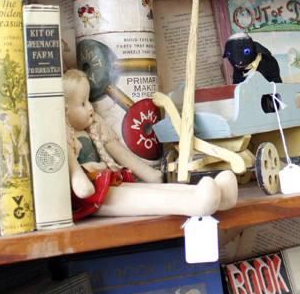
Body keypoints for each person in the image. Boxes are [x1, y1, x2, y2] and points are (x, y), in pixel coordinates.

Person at [64, 69, 237, 219]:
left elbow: (120, 153)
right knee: (136, 197)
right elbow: (80, 184)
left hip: (106, 182)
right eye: (82, 103)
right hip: (92, 197)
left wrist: (149, 174)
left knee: (144, 189)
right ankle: (192, 204)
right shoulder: (65, 138)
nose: (90, 108)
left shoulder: (93, 127)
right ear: (64, 109)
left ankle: (220, 197)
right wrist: (81, 184)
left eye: (88, 101)